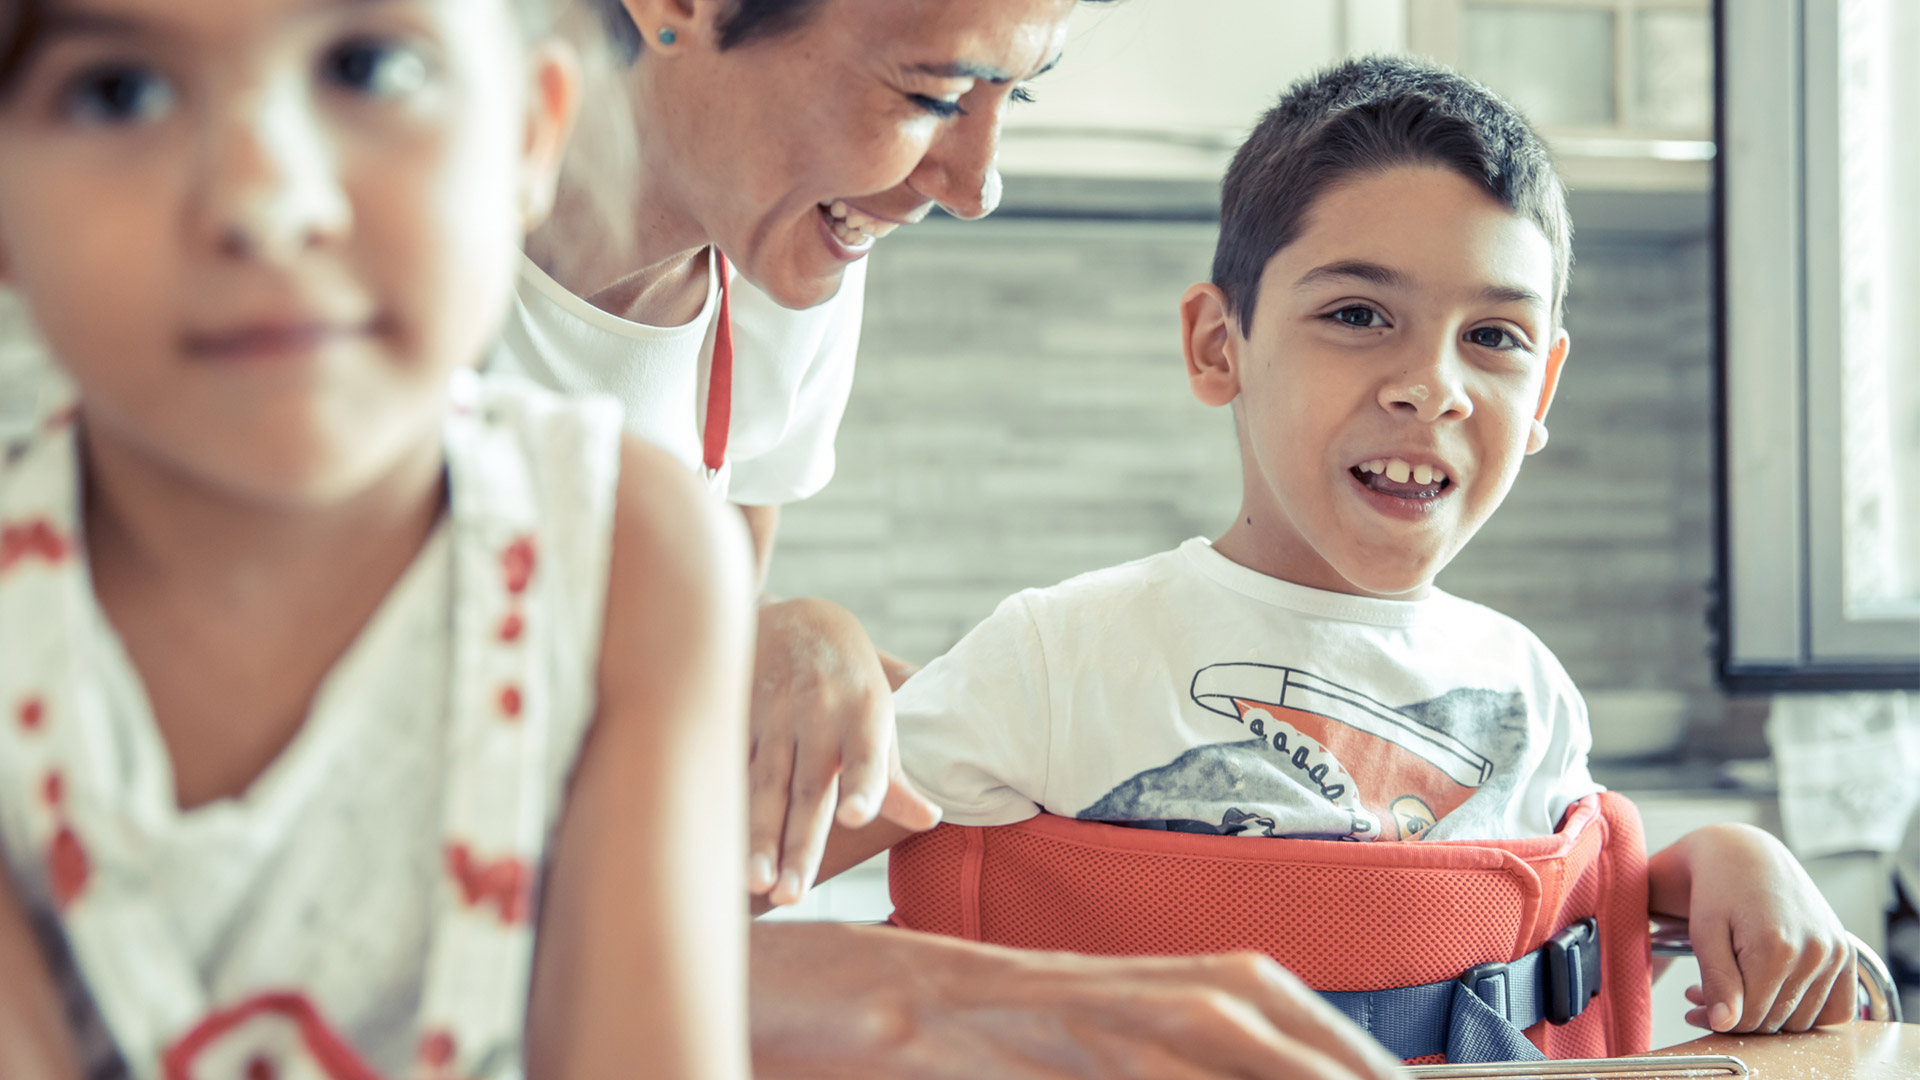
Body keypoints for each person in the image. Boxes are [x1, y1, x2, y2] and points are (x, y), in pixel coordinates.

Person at [813, 56, 1860, 1042]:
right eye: (1359, 314)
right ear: (1219, 346)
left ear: (1543, 390)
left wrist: (1723, 859)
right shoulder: (1053, 660)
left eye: (1494, 337)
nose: (1432, 386)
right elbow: (698, 891)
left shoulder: (1531, 695)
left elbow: (1580, 920)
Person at [494, 2, 1409, 1076]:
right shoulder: (361, 301)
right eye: (930, 95)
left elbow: (675, 761)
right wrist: (897, 999)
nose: (978, 188)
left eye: (1011, 96)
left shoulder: (782, 278)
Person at [0, 0, 754, 1076]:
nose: (265, 201)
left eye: (368, 68)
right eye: (119, 91)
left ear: (531, 134)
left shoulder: (626, 560)